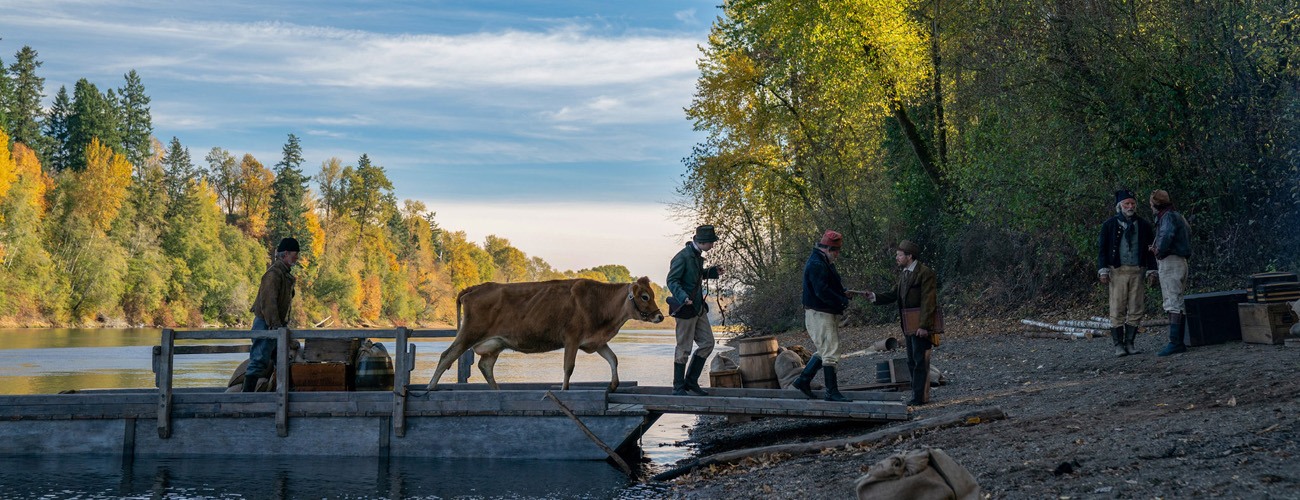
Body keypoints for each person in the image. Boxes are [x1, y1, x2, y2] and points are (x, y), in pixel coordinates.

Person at [864, 240, 940, 406]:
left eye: (899, 255)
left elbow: (929, 301)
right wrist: (874, 297)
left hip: (920, 325)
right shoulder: (905, 273)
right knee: (912, 360)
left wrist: (924, 326)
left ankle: (919, 398)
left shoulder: (925, 273)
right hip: (908, 325)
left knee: (920, 360)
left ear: (909, 256)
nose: (896, 258)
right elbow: (894, 294)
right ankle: (918, 395)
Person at [792, 230, 852, 402]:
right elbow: (822, 291)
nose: (837, 254)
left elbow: (828, 286)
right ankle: (831, 392)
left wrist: (842, 293)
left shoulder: (822, 261)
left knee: (825, 350)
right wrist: (842, 301)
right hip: (820, 313)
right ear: (827, 249)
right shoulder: (817, 264)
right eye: (836, 251)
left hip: (822, 313)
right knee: (830, 352)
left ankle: (803, 380)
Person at [1097, 189, 1157, 356]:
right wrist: (1103, 270)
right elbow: (1102, 250)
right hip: (1118, 271)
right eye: (1127, 204)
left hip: (1137, 270)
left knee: (1136, 307)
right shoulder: (1109, 225)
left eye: (1132, 204)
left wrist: (1152, 270)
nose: (1130, 206)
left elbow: (1150, 250)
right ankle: (1118, 345)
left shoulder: (1143, 225)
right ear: (1120, 206)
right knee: (1117, 308)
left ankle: (1130, 343)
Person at [666, 225, 722, 396]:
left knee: (707, 343)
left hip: (698, 308)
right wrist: (683, 297)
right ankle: (678, 387)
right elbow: (672, 280)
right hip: (685, 308)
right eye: (711, 242)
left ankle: (690, 382)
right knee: (684, 348)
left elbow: (695, 275)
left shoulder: (696, 256)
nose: (713, 245)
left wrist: (711, 272)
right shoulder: (682, 257)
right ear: (703, 242)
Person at [243, 237, 300, 392]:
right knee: (258, 361)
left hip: (276, 326)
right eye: (295, 255)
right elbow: (269, 303)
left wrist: (281, 329)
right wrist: (276, 328)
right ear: (286, 253)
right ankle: (244, 400)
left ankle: (287, 394)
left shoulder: (284, 274)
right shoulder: (273, 274)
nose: (297, 258)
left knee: (281, 361)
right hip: (267, 324)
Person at [1149, 189, 1192, 356]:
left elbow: (1166, 235)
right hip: (1180, 260)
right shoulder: (1177, 215)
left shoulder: (1167, 217)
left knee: (1172, 301)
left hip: (1171, 262)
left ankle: (1175, 342)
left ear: (1155, 204)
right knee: (1177, 300)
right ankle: (1177, 341)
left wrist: (1158, 251)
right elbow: (1187, 232)